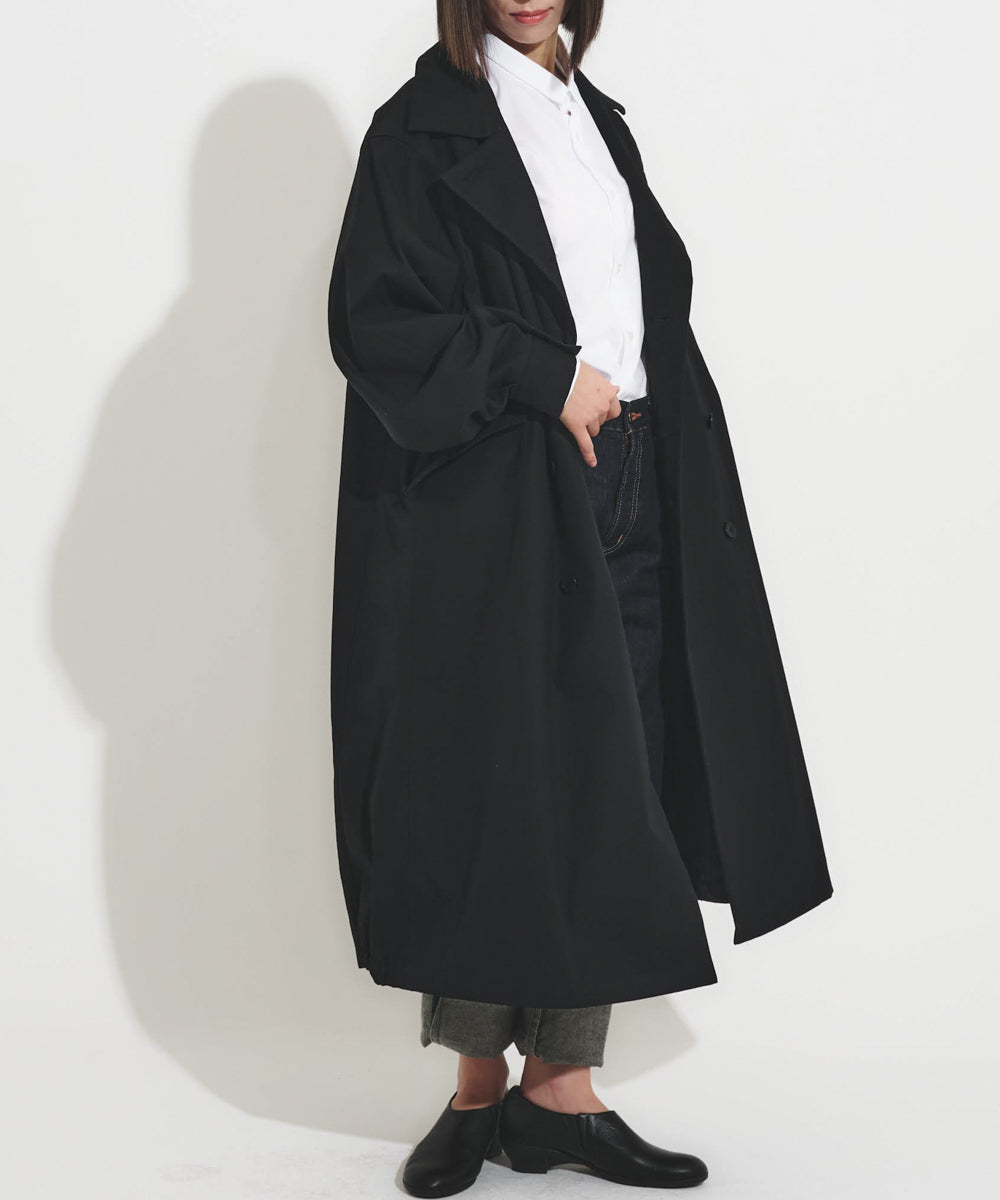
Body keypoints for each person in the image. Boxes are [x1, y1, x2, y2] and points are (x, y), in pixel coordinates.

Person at [326, 2, 833, 1195]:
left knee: (617, 774)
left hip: (637, 472)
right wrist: (540, 374)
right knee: (495, 778)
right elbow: (375, 323)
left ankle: (559, 1091)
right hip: (506, 494)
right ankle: (476, 1091)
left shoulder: (594, 119)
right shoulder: (418, 130)